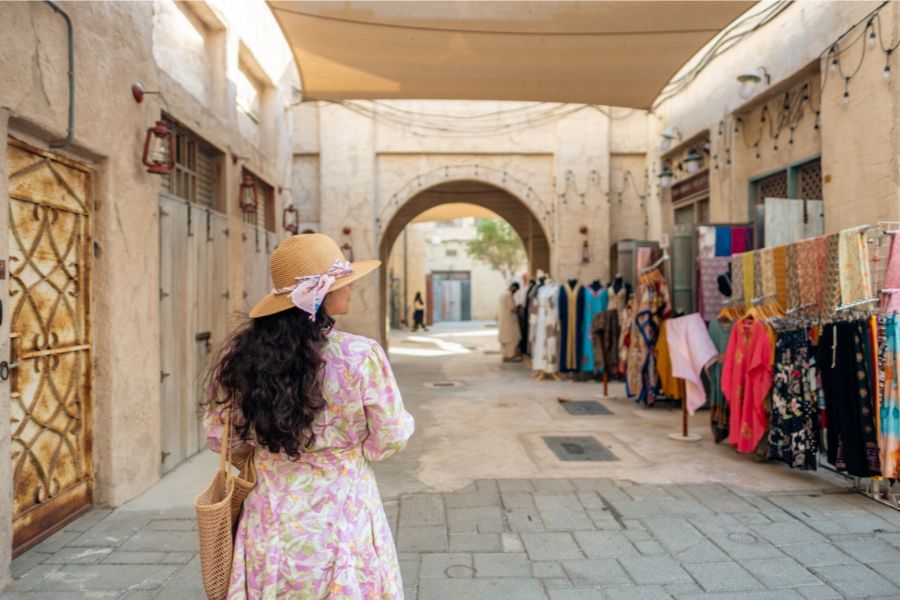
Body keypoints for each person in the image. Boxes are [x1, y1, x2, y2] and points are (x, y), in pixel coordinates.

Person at [203, 233, 415, 599]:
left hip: (271, 517)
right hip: (344, 510)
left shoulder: (246, 358)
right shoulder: (361, 355)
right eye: (343, 283)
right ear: (322, 296)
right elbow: (392, 436)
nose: (351, 290)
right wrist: (352, 451)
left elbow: (219, 437)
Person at [498, 281, 522, 362]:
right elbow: (512, 308)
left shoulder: (502, 293)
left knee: (505, 338)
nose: (515, 292)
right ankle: (510, 356)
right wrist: (518, 307)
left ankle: (505, 355)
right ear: (513, 287)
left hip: (502, 319)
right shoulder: (508, 295)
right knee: (513, 337)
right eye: (515, 290)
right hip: (509, 320)